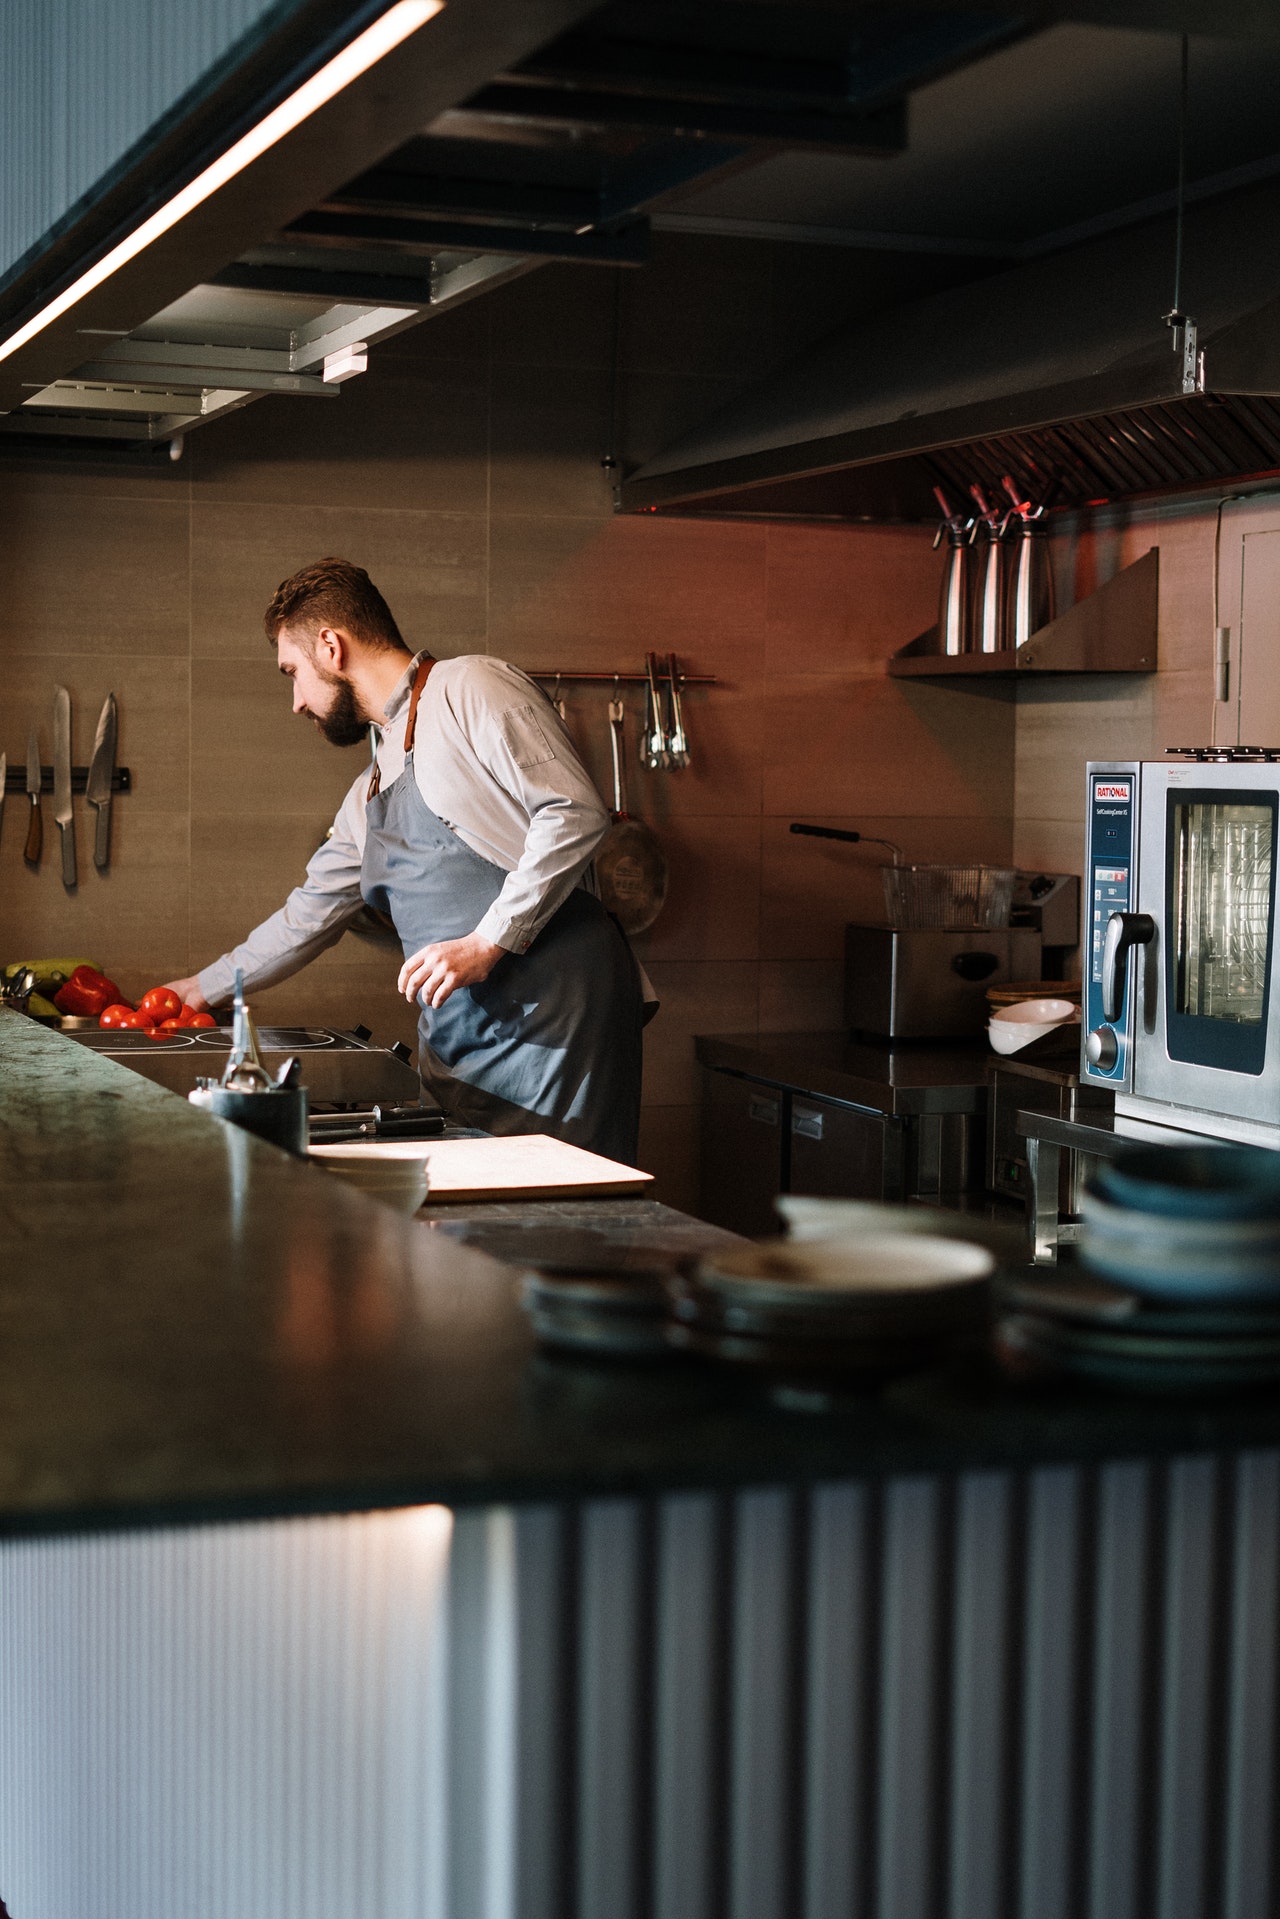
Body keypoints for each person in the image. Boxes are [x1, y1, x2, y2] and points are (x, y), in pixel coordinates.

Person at [167, 558, 646, 1162]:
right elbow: (308, 916)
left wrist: (486, 943)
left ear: (330, 647)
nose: (295, 701)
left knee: (560, 1204)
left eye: (292, 672)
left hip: (557, 1021)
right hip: (461, 1038)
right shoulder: (369, 788)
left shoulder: (472, 686)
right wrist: (197, 990)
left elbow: (574, 812)